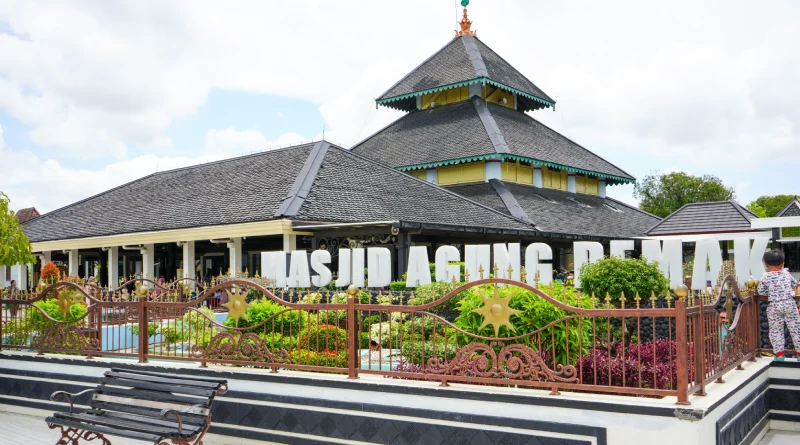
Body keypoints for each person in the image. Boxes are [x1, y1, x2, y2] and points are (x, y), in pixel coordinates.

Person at [758, 250, 800, 361]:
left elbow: (761, 291)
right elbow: (795, 284)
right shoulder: (786, 273)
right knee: (796, 329)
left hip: (774, 305)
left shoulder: (765, 277)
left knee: (776, 330)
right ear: (782, 263)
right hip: (789, 303)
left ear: (766, 265)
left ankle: (780, 355)